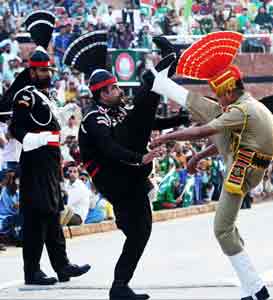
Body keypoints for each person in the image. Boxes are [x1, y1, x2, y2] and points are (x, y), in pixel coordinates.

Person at [147, 31, 273, 300]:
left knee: (222, 230)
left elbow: (203, 131)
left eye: (219, 93)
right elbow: (224, 140)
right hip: (247, 163)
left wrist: (168, 136)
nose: (218, 98)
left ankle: (257, 289)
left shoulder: (241, 111)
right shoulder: (247, 106)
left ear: (229, 90)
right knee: (230, 230)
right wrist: (198, 157)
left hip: (242, 171)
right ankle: (251, 289)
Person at [63, 32, 188, 300]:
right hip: (114, 176)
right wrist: (139, 158)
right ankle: (159, 70)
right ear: (102, 93)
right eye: (113, 89)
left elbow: (146, 123)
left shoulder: (118, 111)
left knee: (141, 231)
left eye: (117, 87)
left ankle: (120, 285)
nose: (118, 91)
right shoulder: (93, 119)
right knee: (145, 102)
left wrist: (179, 119)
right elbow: (109, 148)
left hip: (130, 178)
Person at [6, 11, 90, 285]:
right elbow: (17, 129)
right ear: (32, 71)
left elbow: (53, 124)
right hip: (34, 163)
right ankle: (32, 271)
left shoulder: (45, 96)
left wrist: (64, 116)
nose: (47, 75)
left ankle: (62, 266)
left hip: (51, 163)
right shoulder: (26, 96)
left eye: (49, 70)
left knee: (53, 215)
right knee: (35, 218)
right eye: (42, 70)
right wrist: (43, 138)